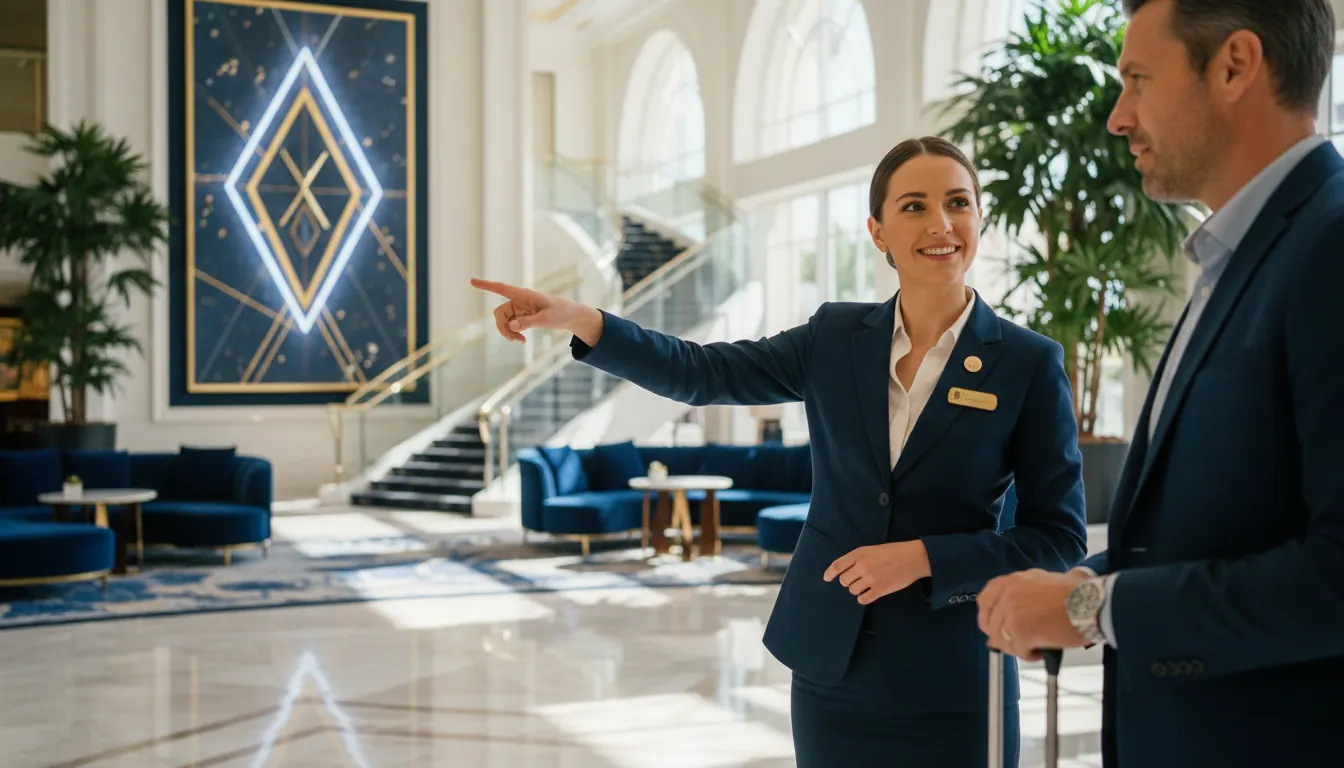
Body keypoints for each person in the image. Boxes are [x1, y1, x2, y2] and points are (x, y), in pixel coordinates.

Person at [474, 137, 1088, 767]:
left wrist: (923, 558)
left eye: (958, 202)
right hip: (830, 665)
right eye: (914, 206)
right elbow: (702, 373)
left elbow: (1058, 538)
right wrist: (588, 322)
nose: (940, 223)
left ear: (979, 218)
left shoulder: (1028, 363)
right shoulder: (835, 337)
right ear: (878, 233)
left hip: (955, 677)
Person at [975, 0, 1344, 765]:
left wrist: (1092, 608)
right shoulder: (1239, 256)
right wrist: (1087, 583)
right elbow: (1235, 529)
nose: (1117, 117)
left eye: (1138, 79)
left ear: (1235, 66)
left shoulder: (1331, 247)